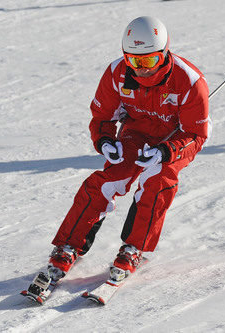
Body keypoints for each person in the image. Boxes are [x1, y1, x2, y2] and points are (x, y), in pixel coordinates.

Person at [47, 16, 210, 282]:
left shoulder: (189, 82)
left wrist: (167, 151)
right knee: (108, 180)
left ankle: (134, 248)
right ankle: (68, 245)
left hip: (175, 137)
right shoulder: (117, 73)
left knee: (158, 180)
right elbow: (102, 118)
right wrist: (105, 141)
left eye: (149, 61)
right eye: (134, 61)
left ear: (164, 53)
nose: (142, 69)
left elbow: (196, 135)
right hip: (136, 132)